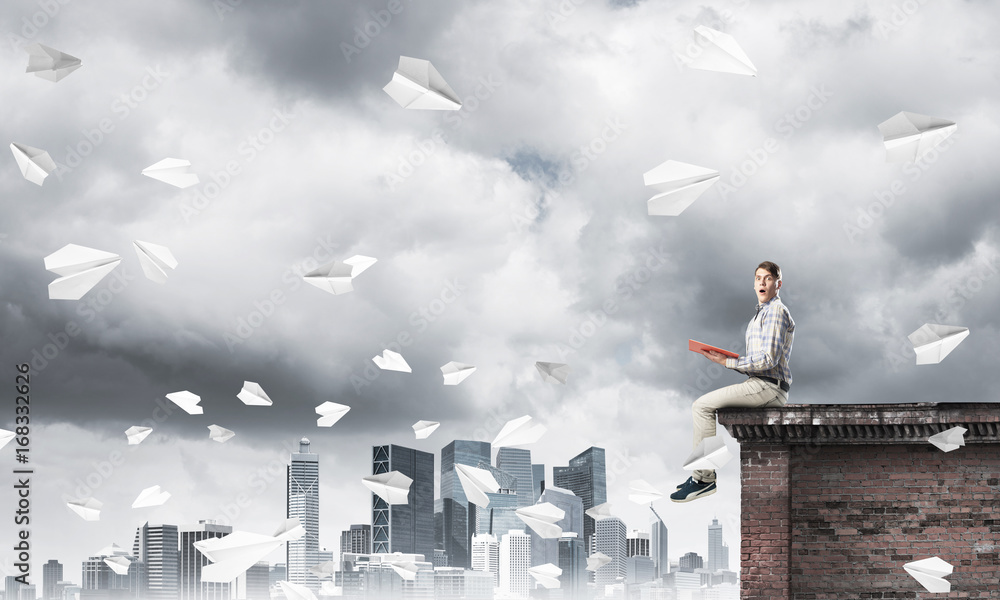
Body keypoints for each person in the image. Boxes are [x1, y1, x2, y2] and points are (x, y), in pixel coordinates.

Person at [670, 261, 795, 503]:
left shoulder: (776, 312)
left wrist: (728, 362)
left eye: (768, 278)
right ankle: (702, 475)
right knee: (702, 405)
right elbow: (759, 361)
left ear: (778, 284)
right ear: (754, 284)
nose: (762, 282)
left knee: (701, 406)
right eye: (758, 278)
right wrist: (725, 359)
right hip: (760, 382)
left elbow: (768, 360)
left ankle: (704, 479)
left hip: (769, 386)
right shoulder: (761, 314)